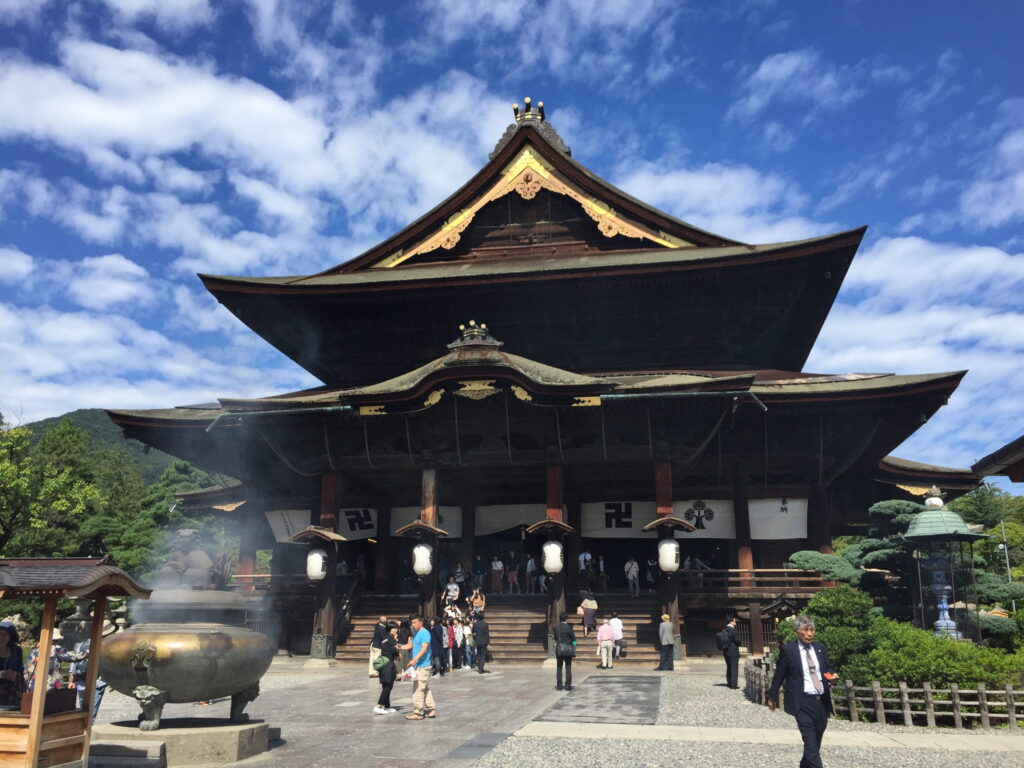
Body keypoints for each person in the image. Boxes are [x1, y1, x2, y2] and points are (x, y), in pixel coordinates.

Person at [767, 615, 835, 768]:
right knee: (810, 741)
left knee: (815, 742)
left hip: (821, 701)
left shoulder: (820, 648)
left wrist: (833, 676)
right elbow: (780, 675)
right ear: (797, 631)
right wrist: (772, 696)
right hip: (802, 701)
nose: (810, 633)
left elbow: (827, 668)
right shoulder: (788, 650)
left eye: (812, 630)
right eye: (806, 630)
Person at [404, 615, 436, 720]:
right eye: (412, 623)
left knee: (418, 689)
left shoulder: (425, 633)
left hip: (423, 665)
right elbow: (410, 645)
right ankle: (431, 709)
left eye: (414, 622)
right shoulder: (416, 633)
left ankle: (418, 712)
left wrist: (414, 659)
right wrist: (398, 646)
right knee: (424, 688)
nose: (413, 625)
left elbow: (424, 649)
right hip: (419, 665)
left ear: (420, 622)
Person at [373, 621, 400, 715]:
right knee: (388, 686)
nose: (396, 630)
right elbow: (393, 650)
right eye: (394, 628)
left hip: (384, 664)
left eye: (396, 628)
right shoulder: (391, 638)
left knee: (386, 685)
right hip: (388, 664)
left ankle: (387, 706)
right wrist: (397, 648)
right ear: (389, 629)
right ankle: (379, 705)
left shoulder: (385, 637)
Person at [0, 620, 25, 709]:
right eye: (0, 633)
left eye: (5, 634)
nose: (2, 637)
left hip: (12, 694)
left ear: (11, 636)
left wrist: (15, 674)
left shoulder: (17, 651)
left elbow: (20, 672)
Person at [552, 612, 576, 691]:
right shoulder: (569, 627)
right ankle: (568, 685)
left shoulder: (556, 628)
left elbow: (555, 638)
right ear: (566, 619)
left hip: (559, 648)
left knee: (559, 667)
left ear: (560, 619)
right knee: (568, 666)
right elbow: (573, 638)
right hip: (567, 648)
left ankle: (559, 685)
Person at [723, 615, 741, 688]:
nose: (735, 622)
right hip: (733, 650)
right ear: (731, 621)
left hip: (726, 650)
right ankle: (734, 685)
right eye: (734, 620)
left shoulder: (724, 629)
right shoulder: (732, 630)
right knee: (734, 667)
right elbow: (737, 640)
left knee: (729, 667)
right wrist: (739, 643)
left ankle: (729, 683)